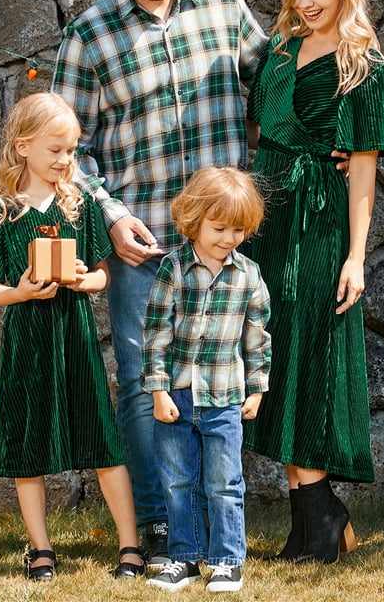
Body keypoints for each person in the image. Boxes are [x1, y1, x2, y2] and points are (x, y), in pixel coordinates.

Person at [51, 0, 268, 564]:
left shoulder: (225, 9)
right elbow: (68, 152)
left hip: (223, 250)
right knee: (148, 389)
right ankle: (156, 525)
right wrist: (111, 218)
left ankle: (215, 522)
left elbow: (277, 88)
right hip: (142, 248)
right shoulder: (88, 37)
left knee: (225, 382)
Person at [242, 0, 384, 565]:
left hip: (319, 226)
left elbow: (364, 170)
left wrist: (354, 257)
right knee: (276, 353)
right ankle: (313, 518)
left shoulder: (363, 67)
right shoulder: (280, 51)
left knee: (311, 356)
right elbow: (267, 130)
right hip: (269, 220)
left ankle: (320, 517)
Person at [0, 93, 146, 581]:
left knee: (102, 438)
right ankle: (40, 548)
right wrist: (22, 291)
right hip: (27, 342)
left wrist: (81, 279)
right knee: (30, 445)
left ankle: (131, 546)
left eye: (71, 150)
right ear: (22, 147)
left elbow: (102, 277)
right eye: (56, 151)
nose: (66, 161)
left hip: (76, 337)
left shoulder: (79, 205)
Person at [142, 167, 271, 592]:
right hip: (177, 396)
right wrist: (158, 390)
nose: (228, 238)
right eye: (219, 228)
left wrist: (257, 386)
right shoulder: (173, 270)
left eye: (238, 229)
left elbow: (257, 337)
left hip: (225, 398)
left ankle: (227, 561)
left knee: (225, 482)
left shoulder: (248, 275)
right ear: (194, 219)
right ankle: (185, 558)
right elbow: (156, 334)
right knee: (179, 482)